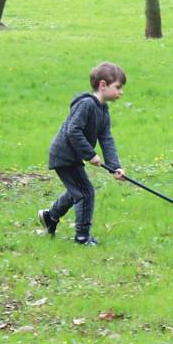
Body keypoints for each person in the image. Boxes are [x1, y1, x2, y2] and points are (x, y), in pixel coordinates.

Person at [38, 62, 127, 246]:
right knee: (85, 192)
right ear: (103, 85)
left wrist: (114, 166)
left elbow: (106, 139)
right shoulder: (86, 104)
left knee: (75, 191)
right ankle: (82, 237)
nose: (121, 92)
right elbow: (73, 130)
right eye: (118, 87)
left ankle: (50, 217)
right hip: (63, 154)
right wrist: (90, 154)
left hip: (73, 156)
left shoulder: (103, 111)